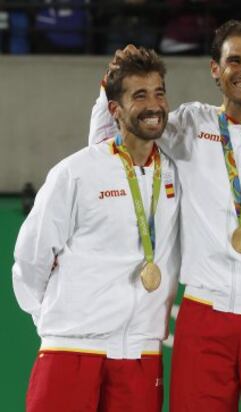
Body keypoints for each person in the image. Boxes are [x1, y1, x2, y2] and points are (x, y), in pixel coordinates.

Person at [88, 19, 241, 412]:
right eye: (234, 60)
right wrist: (109, 93)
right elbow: (111, 147)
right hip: (204, 320)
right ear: (215, 69)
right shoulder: (188, 127)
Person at [12, 48, 180, 412]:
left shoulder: (175, 174)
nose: (153, 105)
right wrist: (56, 321)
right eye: (140, 95)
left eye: (159, 93)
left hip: (140, 353)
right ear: (115, 110)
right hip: (71, 349)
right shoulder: (74, 174)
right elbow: (30, 259)